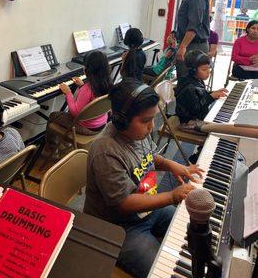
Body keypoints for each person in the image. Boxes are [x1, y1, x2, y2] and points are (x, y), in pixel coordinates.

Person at [84, 78, 203, 278]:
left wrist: (171, 165)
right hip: (119, 226)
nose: (151, 128)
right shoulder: (106, 151)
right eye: (146, 121)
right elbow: (123, 203)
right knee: (163, 271)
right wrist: (172, 196)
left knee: (190, 226)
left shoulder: (138, 133)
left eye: (153, 119)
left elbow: (150, 157)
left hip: (148, 208)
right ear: (121, 120)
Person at [44, 51, 112, 155]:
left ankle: (51, 151)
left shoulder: (88, 88)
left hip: (85, 127)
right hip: (101, 124)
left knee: (53, 116)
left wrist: (68, 93)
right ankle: (63, 143)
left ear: (87, 70)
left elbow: (74, 112)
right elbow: (93, 99)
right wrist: (81, 85)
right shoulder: (107, 84)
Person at [175, 0, 210, 78]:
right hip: (191, 44)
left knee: (187, 84)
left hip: (193, 46)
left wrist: (183, 46)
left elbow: (194, 24)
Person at [175, 50, 228, 124]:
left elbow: (201, 94)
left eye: (209, 68)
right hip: (188, 122)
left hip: (197, 117)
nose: (208, 72)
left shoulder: (197, 79)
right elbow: (195, 109)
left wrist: (215, 93)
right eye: (204, 69)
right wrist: (211, 97)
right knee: (222, 125)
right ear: (193, 70)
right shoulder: (189, 86)